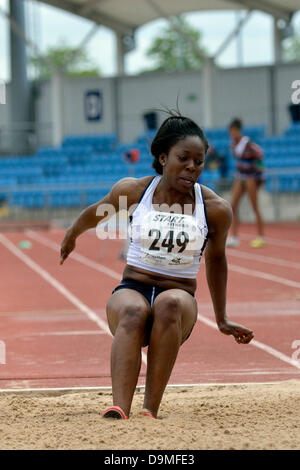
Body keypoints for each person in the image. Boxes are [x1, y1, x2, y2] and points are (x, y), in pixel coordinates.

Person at [60, 113, 254, 420]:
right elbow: (97, 213)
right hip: (132, 288)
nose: (192, 167)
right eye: (184, 158)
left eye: (199, 161)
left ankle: (149, 409)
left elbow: (217, 260)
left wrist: (222, 318)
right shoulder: (134, 192)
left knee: (168, 304)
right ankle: (119, 407)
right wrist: (72, 234)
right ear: (163, 157)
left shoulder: (215, 209)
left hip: (179, 297)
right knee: (133, 310)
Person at [226, 118, 265, 248]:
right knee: (233, 205)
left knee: (255, 206)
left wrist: (259, 176)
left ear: (238, 130)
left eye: (233, 131)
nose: (231, 133)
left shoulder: (247, 144)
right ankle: (234, 237)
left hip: (250, 177)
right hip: (240, 176)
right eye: (230, 131)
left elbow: (259, 155)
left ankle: (260, 236)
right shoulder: (232, 145)